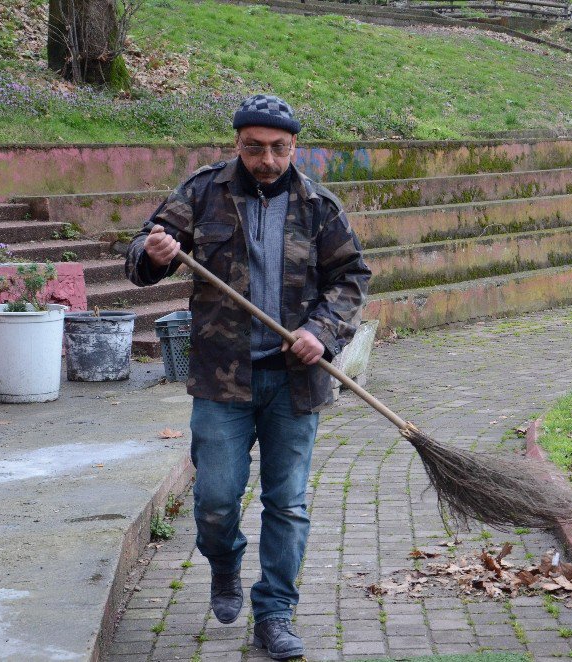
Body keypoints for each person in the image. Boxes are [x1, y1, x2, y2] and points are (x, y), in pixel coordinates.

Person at [125, 93, 371, 660]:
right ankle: (224, 559)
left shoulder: (319, 207)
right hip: (222, 378)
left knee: (287, 502)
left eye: (279, 148)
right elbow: (141, 253)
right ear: (237, 143)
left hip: (294, 379)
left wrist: (323, 331)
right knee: (214, 501)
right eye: (255, 147)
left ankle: (276, 614)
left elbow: (351, 277)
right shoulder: (203, 192)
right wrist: (157, 250)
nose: (267, 159)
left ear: (294, 148)